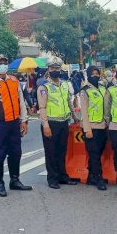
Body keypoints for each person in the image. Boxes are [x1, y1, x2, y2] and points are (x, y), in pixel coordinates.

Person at [0, 54, 31, 197]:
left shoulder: (14, 81)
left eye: (4, 62)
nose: (2, 65)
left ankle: (14, 180)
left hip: (14, 123)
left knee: (16, 153)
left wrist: (24, 120)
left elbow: (21, 102)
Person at [38, 58, 78, 189]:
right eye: (52, 68)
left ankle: (62, 176)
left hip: (63, 123)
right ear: (48, 70)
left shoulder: (65, 84)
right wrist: (45, 125)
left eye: (57, 68)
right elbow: (42, 107)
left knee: (62, 151)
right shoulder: (44, 87)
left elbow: (69, 102)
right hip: (51, 123)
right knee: (51, 153)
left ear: (60, 69)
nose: (55, 70)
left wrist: (74, 117)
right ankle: (52, 178)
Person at [79, 66, 109, 190]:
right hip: (91, 126)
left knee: (98, 152)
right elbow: (84, 111)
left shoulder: (103, 88)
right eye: (93, 73)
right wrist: (87, 129)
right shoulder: (85, 90)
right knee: (95, 153)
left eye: (97, 73)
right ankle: (99, 178)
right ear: (88, 75)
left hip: (102, 125)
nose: (95, 75)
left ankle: (91, 176)